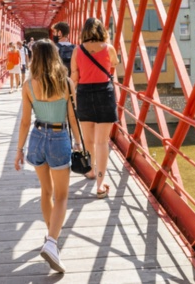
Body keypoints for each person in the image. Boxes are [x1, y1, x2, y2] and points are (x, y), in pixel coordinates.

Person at [14, 39, 81, 274]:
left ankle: (50, 235)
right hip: (58, 137)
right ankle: (52, 242)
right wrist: (79, 144)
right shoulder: (66, 83)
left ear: (34, 58)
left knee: (47, 192)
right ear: (55, 56)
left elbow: (24, 122)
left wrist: (19, 150)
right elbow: (73, 119)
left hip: (36, 138)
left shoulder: (27, 85)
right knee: (62, 196)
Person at [70, 18, 119, 199]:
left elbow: (74, 78)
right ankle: (100, 184)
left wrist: (73, 102)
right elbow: (114, 65)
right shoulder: (108, 48)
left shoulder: (77, 50)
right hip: (104, 94)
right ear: (102, 31)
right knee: (102, 142)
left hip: (84, 94)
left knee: (88, 141)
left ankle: (90, 171)